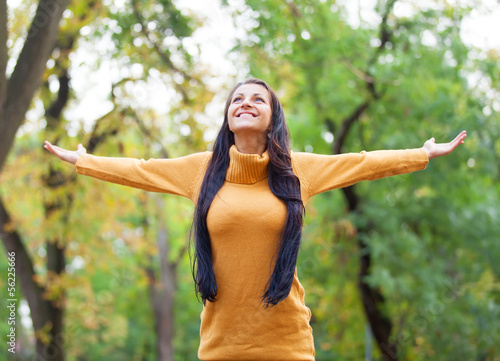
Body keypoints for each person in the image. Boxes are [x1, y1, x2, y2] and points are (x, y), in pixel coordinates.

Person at [44, 78, 467, 360]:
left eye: (257, 99)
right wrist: (85, 161)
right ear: (229, 117)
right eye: (237, 99)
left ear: (271, 118)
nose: (245, 103)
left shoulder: (297, 170)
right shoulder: (201, 170)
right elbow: (139, 169)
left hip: (288, 344)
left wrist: (421, 154)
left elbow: (359, 163)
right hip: (220, 345)